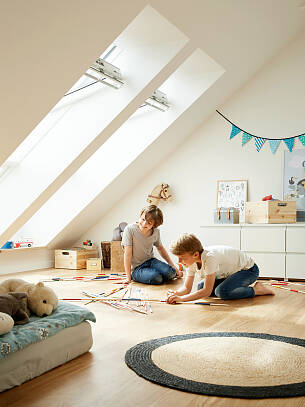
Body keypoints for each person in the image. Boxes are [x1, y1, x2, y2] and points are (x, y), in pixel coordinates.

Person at [167, 233, 274, 303]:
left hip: (248, 270)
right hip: (229, 273)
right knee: (200, 287)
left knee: (222, 292)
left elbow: (207, 291)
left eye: (181, 258)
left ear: (195, 254)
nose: (179, 262)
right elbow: (187, 288)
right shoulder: (190, 262)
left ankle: (257, 290)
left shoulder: (210, 258)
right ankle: (233, 286)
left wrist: (181, 299)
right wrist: (177, 294)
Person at [122, 205, 183, 285]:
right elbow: (127, 255)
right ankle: (139, 276)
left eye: (149, 223)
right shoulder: (130, 229)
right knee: (156, 278)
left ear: (154, 225)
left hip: (151, 261)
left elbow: (161, 249)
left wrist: (173, 266)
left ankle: (160, 275)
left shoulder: (156, 232)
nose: (144, 224)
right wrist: (128, 277)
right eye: (143, 219)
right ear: (140, 216)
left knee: (171, 273)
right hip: (137, 268)